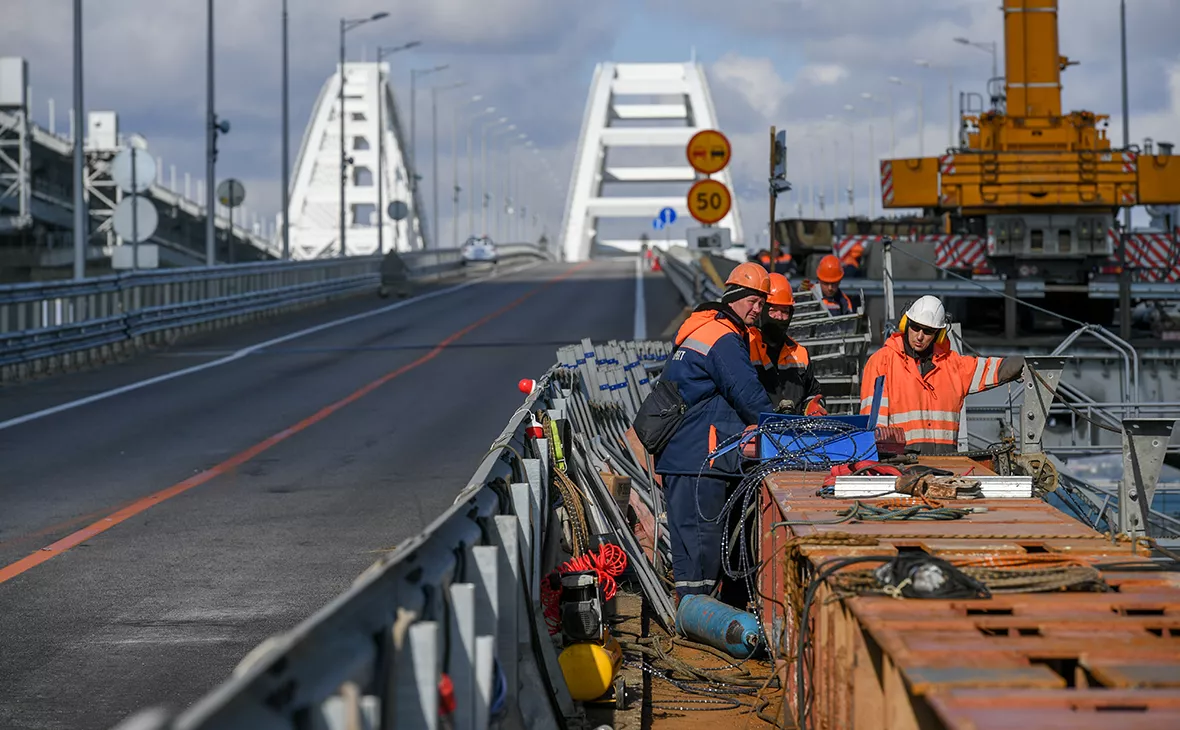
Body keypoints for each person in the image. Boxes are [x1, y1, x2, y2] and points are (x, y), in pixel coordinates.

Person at [654, 261, 774, 602]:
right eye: (752, 300)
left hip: (684, 457)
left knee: (690, 546)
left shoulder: (701, 329)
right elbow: (749, 396)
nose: (758, 309)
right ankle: (700, 619)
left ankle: (692, 610)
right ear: (734, 297)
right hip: (699, 461)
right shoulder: (724, 338)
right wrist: (782, 428)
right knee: (703, 545)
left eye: (762, 303)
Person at [860, 295, 1025, 454]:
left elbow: (992, 369)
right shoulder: (882, 362)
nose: (919, 336)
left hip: (946, 464)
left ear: (938, 334)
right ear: (906, 324)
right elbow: (873, 425)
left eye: (928, 331)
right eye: (915, 327)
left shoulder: (953, 365)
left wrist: (1027, 364)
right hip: (901, 466)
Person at [749, 273, 826, 416]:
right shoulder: (745, 345)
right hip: (757, 431)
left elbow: (813, 392)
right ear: (761, 310)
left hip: (793, 434)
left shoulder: (799, 353)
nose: (779, 317)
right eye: (773, 310)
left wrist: (812, 406)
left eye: (785, 311)